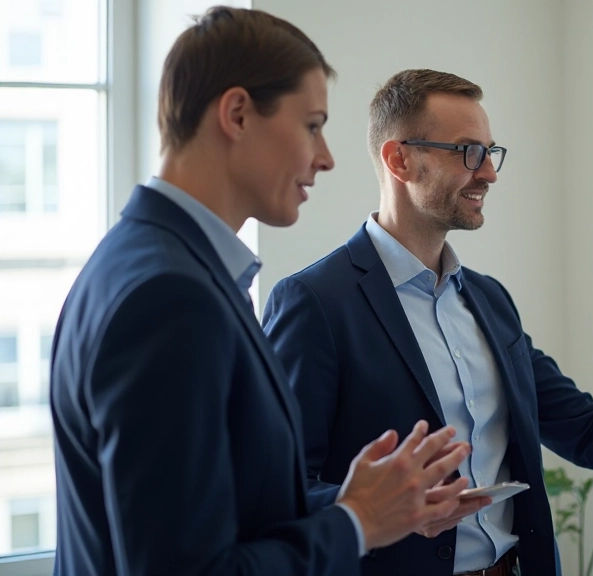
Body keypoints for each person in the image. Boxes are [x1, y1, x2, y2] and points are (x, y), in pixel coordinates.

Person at [262, 68, 593, 575]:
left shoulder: (490, 303)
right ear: (400, 161)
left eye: (491, 152)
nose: (490, 172)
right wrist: (380, 510)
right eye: (469, 153)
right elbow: (275, 496)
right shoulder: (314, 303)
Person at [49, 14, 469, 576]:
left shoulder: (147, 261)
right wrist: (355, 523)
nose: (326, 157)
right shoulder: (170, 296)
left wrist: (363, 505)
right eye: (312, 125)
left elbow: (219, 511)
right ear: (238, 114)